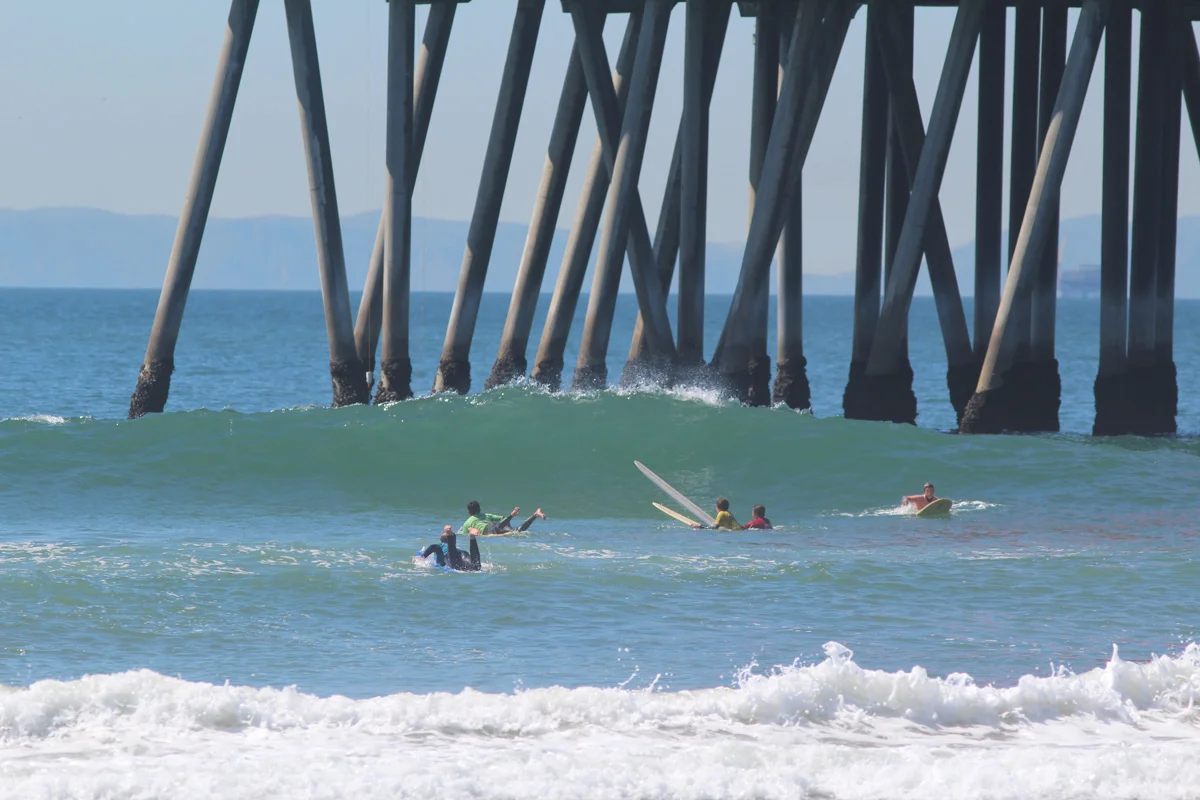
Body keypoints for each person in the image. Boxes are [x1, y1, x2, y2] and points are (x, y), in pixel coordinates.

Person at [459, 500, 545, 537]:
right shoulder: (486, 515)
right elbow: (502, 518)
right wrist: (508, 522)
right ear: (479, 509)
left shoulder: (467, 523)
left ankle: (512, 515)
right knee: (517, 530)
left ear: (468, 512)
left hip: (489, 529)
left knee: (500, 527)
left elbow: (464, 534)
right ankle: (535, 515)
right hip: (496, 524)